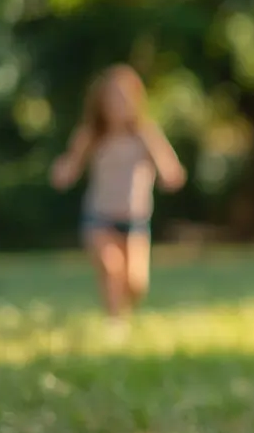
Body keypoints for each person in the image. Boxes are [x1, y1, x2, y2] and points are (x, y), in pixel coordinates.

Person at [50, 64, 186, 323]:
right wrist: (62, 173)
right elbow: (71, 165)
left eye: (124, 98)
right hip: (99, 216)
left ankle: (121, 313)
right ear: (102, 102)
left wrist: (170, 175)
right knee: (111, 268)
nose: (118, 104)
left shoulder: (145, 134)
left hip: (135, 219)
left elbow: (169, 166)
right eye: (112, 98)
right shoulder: (92, 135)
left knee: (136, 284)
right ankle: (115, 324)